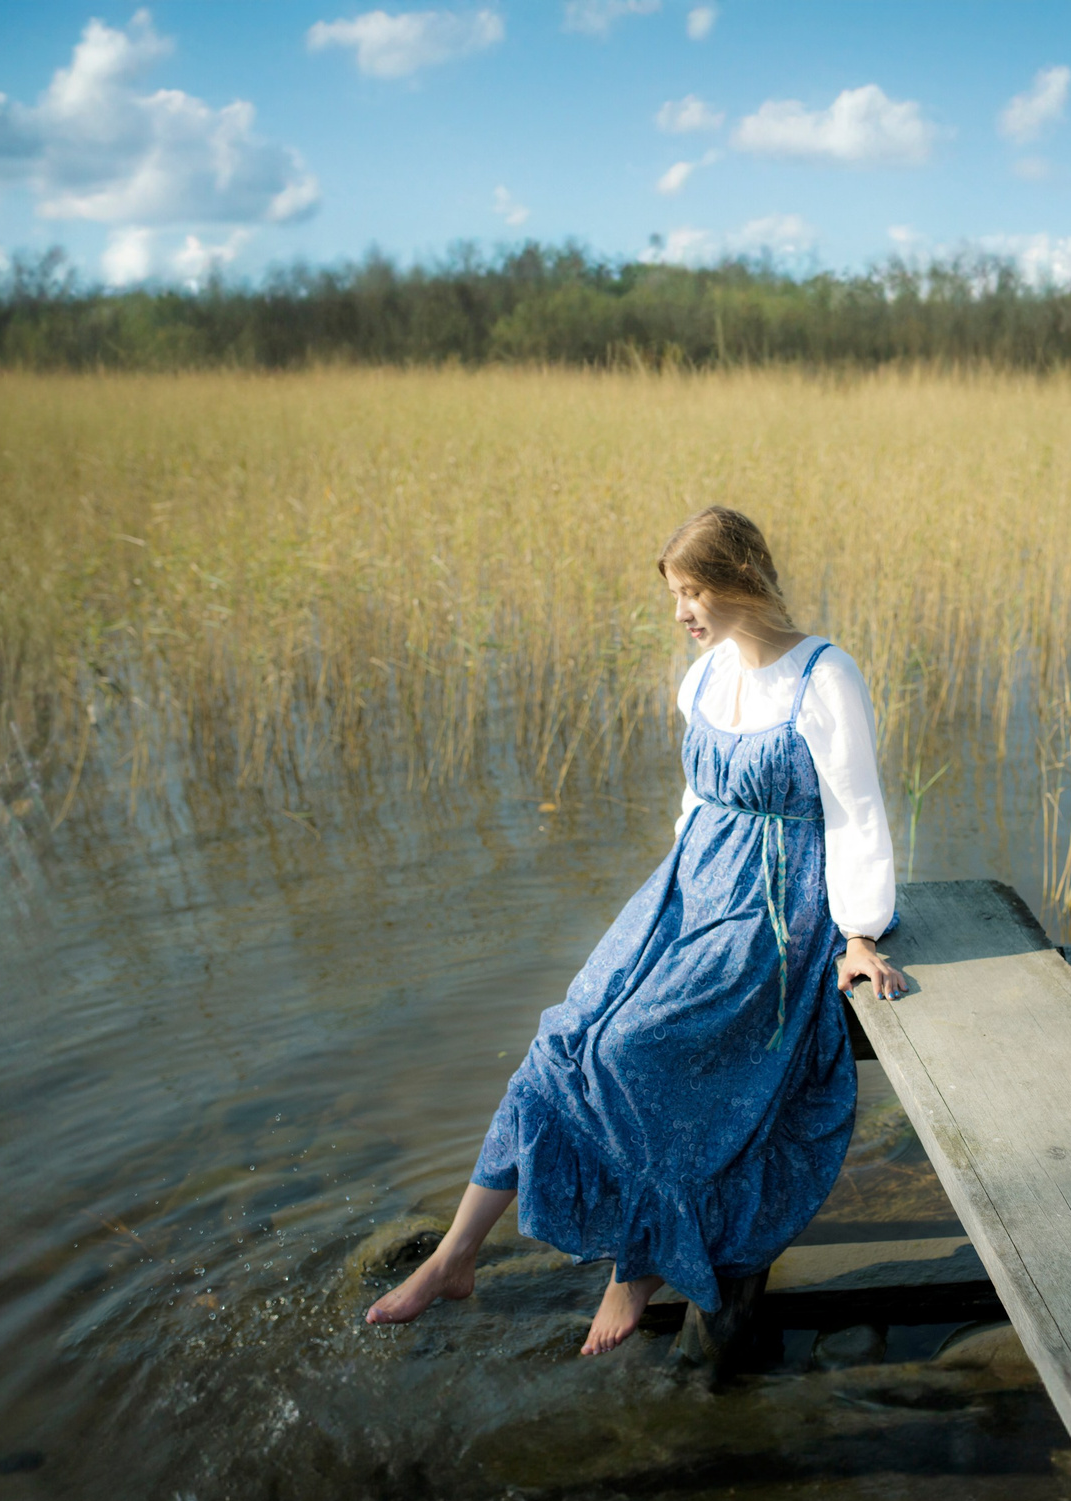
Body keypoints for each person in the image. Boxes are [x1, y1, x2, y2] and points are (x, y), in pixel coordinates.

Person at [365, 505, 909, 1354]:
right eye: (675, 595)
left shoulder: (824, 677)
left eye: (694, 592)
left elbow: (857, 809)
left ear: (740, 582)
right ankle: (453, 1255)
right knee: (565, 1038)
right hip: (692, 884)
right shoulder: (704, 678)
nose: (682, 612)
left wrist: (860, 932)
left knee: (635, 1049)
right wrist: (669, 907)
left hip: (777, 903)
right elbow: (695, 804)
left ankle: (638, 1266)